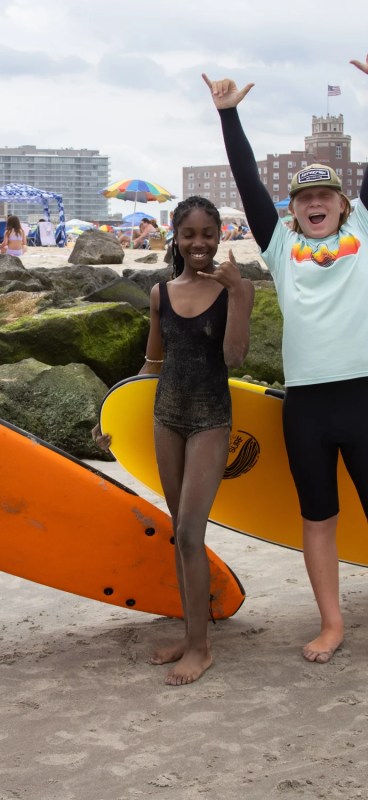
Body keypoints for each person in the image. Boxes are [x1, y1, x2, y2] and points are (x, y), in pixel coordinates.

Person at [203, 52, 368, 665]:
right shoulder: (279, 245)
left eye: (326, 193)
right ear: (294, 209)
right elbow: (247, 180)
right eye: (305, 197)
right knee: (318, 516)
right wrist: (228, 117)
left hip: (364, 393)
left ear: (344, 204)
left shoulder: (365, 232)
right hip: (307, 405)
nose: (316, 202)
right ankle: (332, 624)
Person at [94, 196, 254, 685]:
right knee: (179, 536)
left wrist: (241, 297)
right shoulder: (160, 292)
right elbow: (153, 365)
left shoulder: (234, 290)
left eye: (208, 234)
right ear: (177, 238)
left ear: (219, 237)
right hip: (166, 418)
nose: (199, 243)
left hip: (210, 421)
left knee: (189, 531)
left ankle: (200, 648)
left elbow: (234, 358)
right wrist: (113, 417)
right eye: (190, 234)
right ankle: (191, 635)